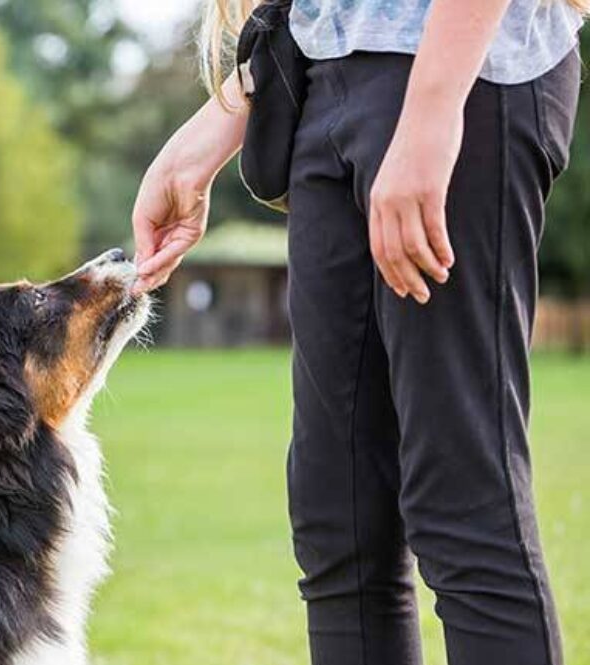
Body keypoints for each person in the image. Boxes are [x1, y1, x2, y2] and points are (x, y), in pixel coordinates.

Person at [130, 1, 583, 664]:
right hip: (326, 87)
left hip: (467, 76)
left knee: (463, 507)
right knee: (337, 521)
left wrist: (430, 113)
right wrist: (223, 118)